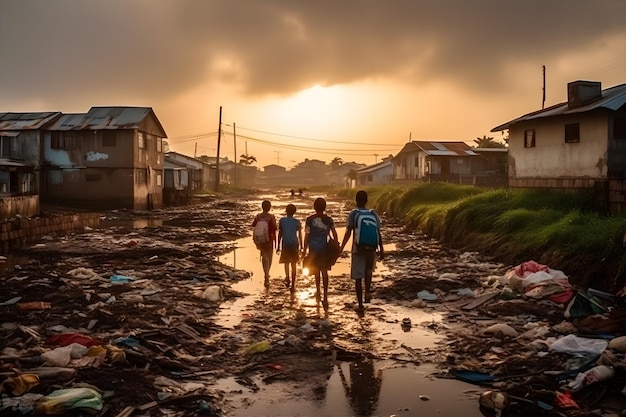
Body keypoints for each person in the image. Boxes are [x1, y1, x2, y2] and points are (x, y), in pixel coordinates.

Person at [340, 190, 384, 311]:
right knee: (368, 271)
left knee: (358, 277)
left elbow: (348, 232)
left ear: (356, 200)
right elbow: (378, 233)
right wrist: (382, 249)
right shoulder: (373, 214)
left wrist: (341, 248)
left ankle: (360, 305)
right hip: (371, 247)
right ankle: (367, 292)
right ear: (366, 200)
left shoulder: (354, 214)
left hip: (358, 248)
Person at [303, 197, 338, 308]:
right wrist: (336, 245)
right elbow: (334, 233)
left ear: (314, 207)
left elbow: (307, 235)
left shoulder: (309, 219)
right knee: (324, 272)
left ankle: (318, 292)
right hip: (324, 249)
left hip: (313, 249)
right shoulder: (329, 220)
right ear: (325, 207)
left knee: (316, 272)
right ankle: (326, 297)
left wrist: (304, 250)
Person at [277, 203, 302, 291]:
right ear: (294, 212)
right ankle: (293, 284)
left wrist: (278, 245)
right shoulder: (297, 222)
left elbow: (280, 234)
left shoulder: (282, 221)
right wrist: (301, 246)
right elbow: (300, 235)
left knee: (286, 262)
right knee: (294, 264)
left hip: (286, 244)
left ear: (286, 211)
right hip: (295, 243)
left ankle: (287, 277)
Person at [252, 200, 277, 286]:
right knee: (269, 257)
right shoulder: (271, 217)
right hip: (269, 240)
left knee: (264, 256)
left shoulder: (258, 216)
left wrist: (255, 239)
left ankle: (265, 273)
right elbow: (274, 228)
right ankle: (267, 273)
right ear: (269, 207)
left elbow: (254, 226)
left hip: (260, 239)